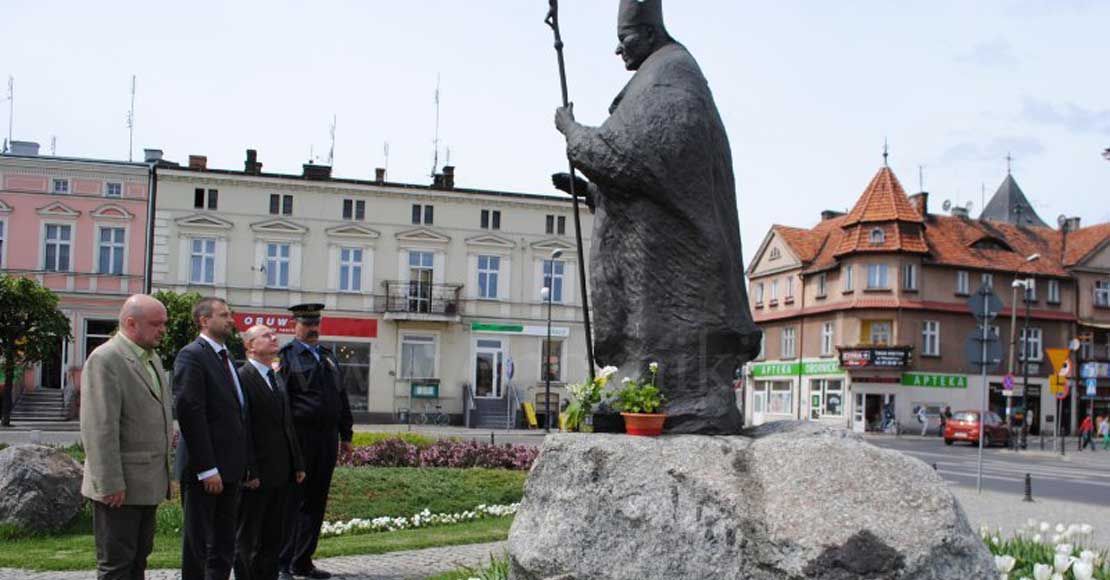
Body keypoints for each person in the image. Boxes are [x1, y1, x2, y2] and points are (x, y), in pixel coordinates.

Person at [551, 0, 761, 435]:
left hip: (678, 267)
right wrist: (592, 190)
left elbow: (630, 156)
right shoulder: (660, 74)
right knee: (651, 343)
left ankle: (680, 402)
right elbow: (652, 180)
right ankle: (640, 395)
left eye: (624, 39)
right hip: (660, 260)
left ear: (649, 33)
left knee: (670, 341)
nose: (618, 50)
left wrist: (572, 131)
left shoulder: (671, 78)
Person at [80, 294, 173, 580]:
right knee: (116, 566)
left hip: (146, 483)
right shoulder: (106, 359)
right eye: (156, 324)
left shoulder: (152, 358)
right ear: (131, 323)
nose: (163, 330)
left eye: (164, 323)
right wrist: (109, 483)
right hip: (119, 488)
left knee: (138, 561)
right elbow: (99, 427)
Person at [174, 296, 253, 580]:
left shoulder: (226, 356)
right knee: (199, 546)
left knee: (223, 543)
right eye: (224, 315)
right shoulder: (192, 355)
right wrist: (207, 468)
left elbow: (237, 414)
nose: (231, 320)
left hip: (229, 470)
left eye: (230, 314)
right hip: (205, 471)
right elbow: (191, 413)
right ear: (204, 320)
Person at [279, 304, 353, 580]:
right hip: (299, 439)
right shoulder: (286, 357)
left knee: (316, 501)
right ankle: (282, 563)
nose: (313, 328)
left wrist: (346, 435)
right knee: (292, 503)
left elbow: (341, 397)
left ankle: (303, 561)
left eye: (316, 323)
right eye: (307, 323)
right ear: (295, 325)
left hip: (326, 439)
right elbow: (281, 401)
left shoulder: (328, 357)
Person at [235, 325, 306, 580]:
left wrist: (297, 463)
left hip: (280, 472)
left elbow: (287, 424)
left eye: (274, 334)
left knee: (273, 537)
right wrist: (249, 469)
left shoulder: (276, 377)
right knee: (248, 538)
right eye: (266, 336)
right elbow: (242, 428)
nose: (274, 337)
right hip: (256, 474)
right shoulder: (242, 378)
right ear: (250, 346)